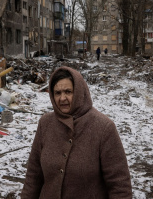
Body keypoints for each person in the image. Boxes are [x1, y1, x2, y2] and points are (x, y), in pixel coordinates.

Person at [21, 67, 132, 198]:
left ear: (79, 92)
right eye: (57, 93)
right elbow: (33, 175)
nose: (62, 98)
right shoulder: (45, 123)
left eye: (68, 92)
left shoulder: (104, 127)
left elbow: (119, 186)